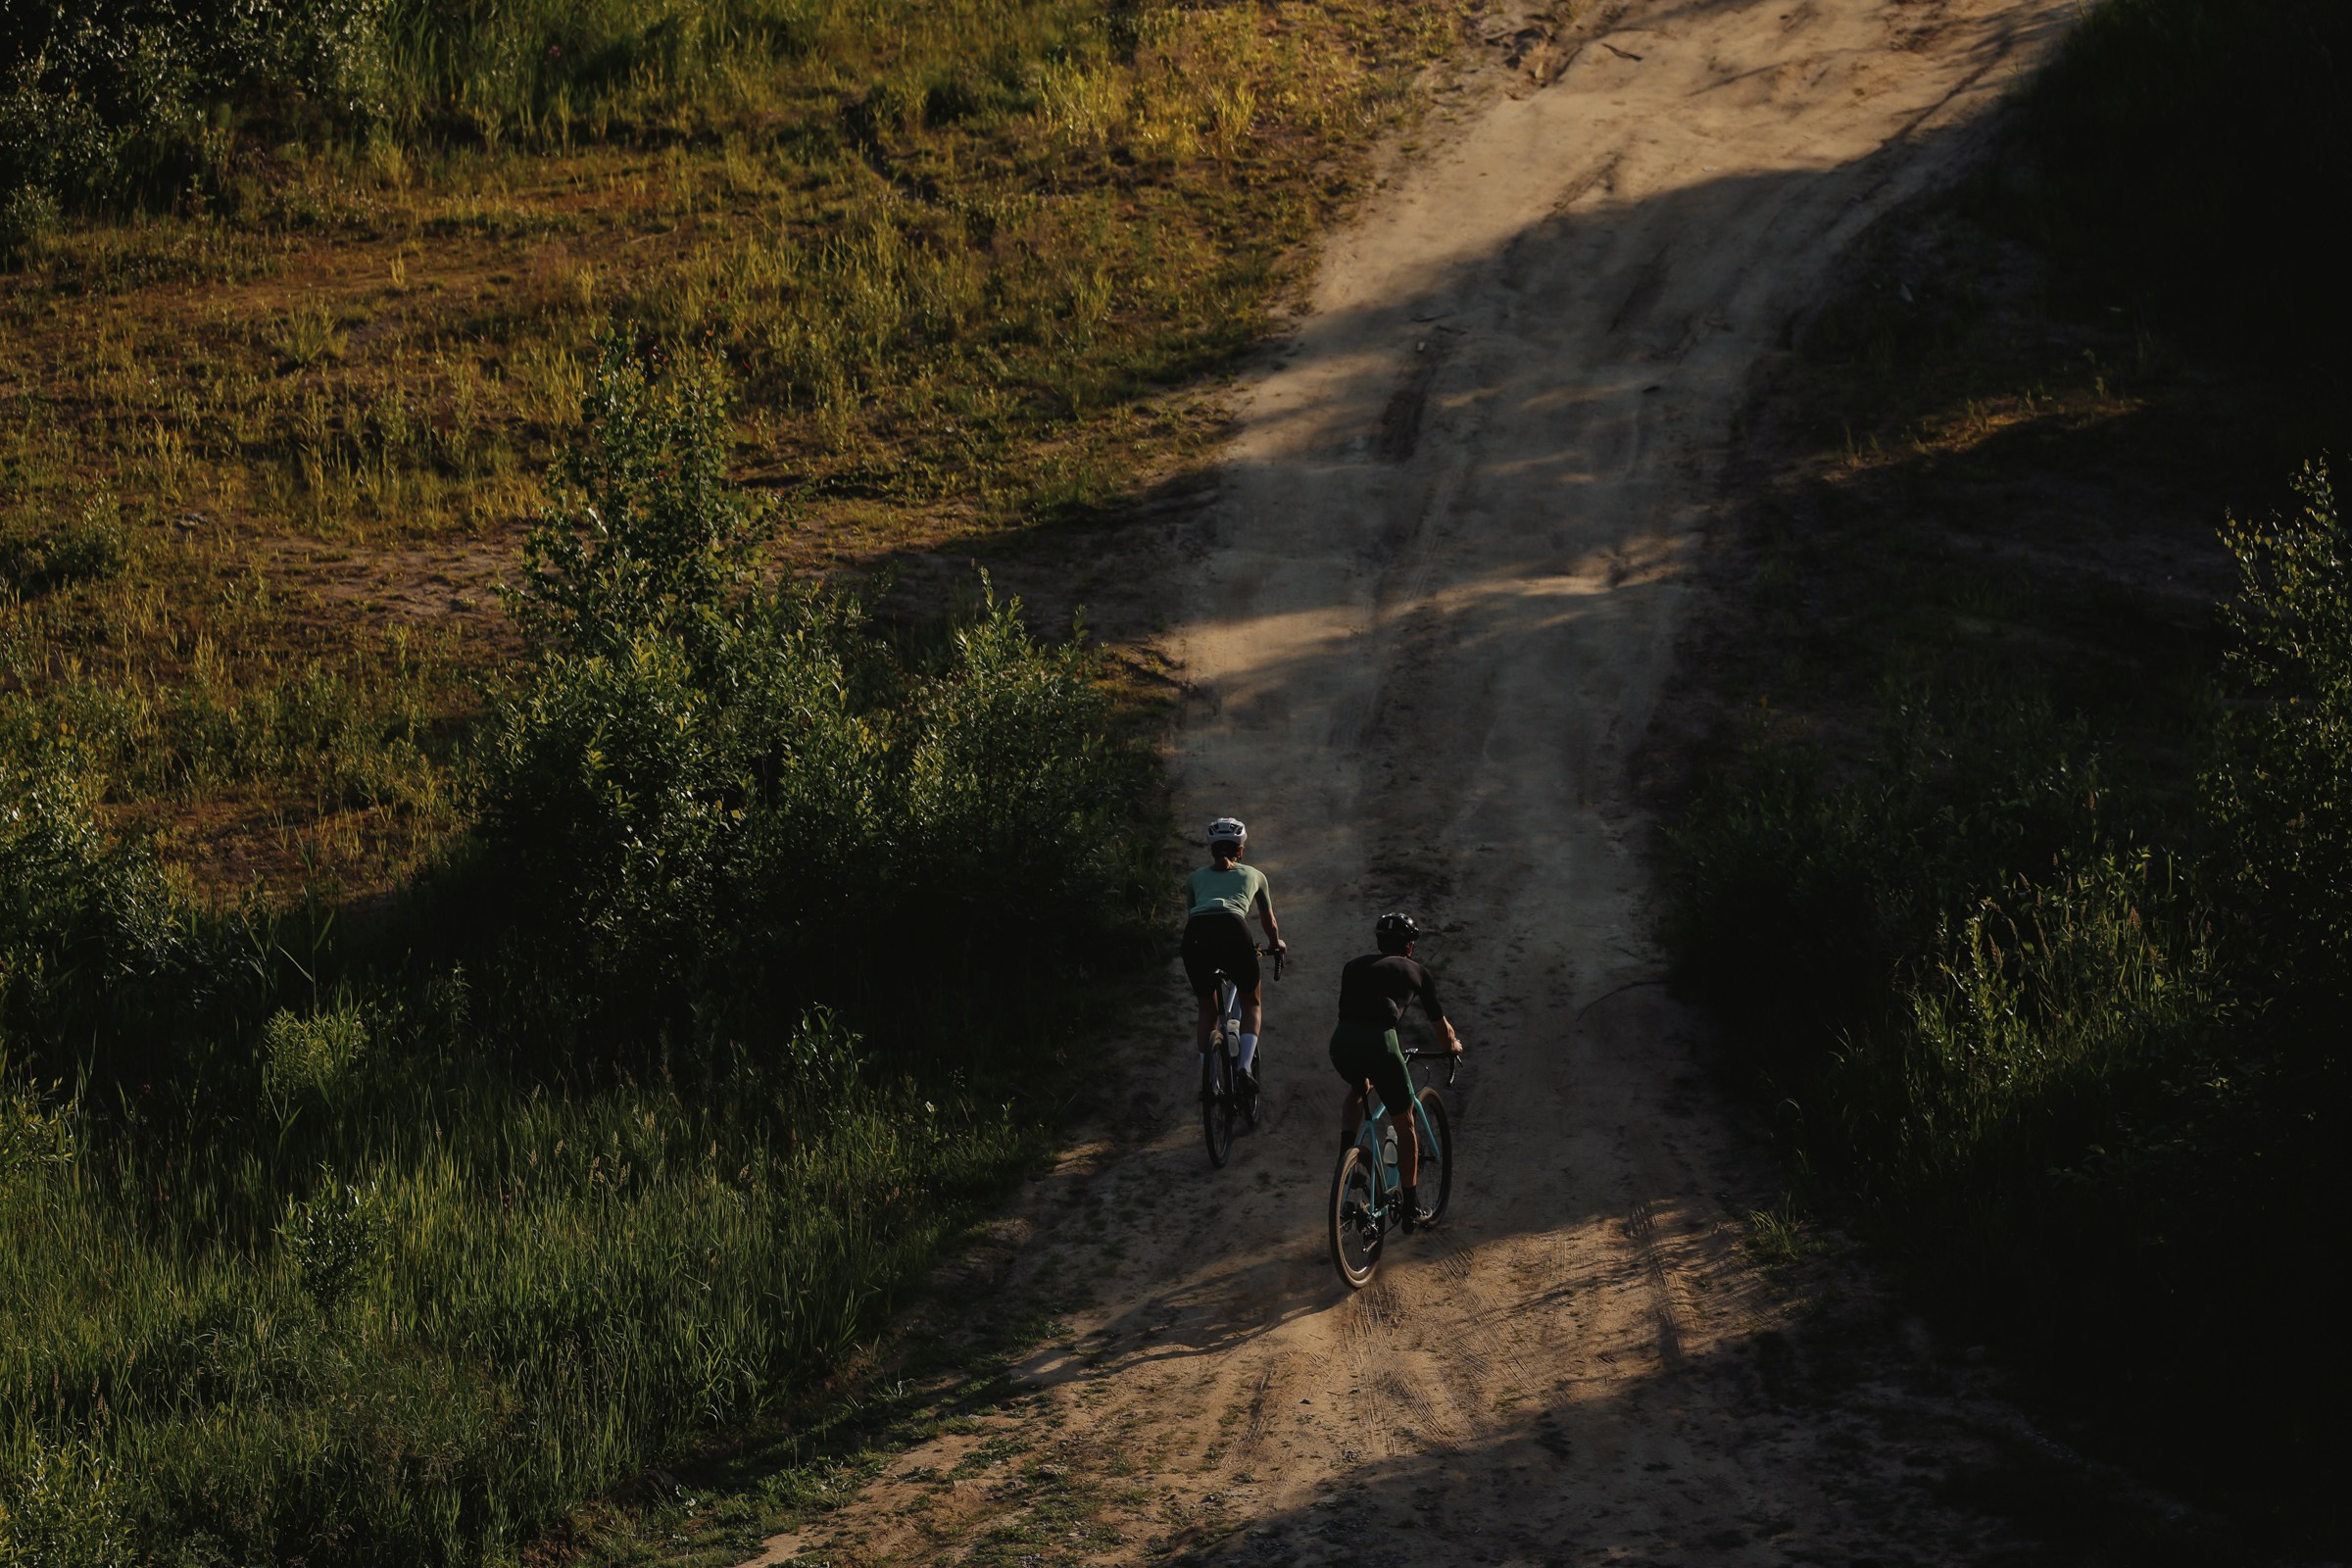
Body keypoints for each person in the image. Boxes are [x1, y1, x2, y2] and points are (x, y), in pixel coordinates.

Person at [1329, 912, 1462, 1233]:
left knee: (1359, 1087)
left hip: (1341, 1042)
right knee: (1405, 1124)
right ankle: (1411, 1205)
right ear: (1410, 946)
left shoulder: (1352, 966)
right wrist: (1453, 1046)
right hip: (1381, 1045)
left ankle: (1346, 1158)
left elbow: (1352, 1011)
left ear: (1379, 942)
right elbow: (1440, 1027)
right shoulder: (1417, 972)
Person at [1182, 816, 1285, 1093]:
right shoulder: (1255, 875)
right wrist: (1275, 943)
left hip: (1196, 935)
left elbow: (1194, 916)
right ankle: (1244, 1069)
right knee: (1251, 1003)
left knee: (1207, 1009)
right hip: (1234, 930)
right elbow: (1269, 922)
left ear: (1211, 849)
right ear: (1241, 850)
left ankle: (1210, 1083)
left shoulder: (1194, 878)